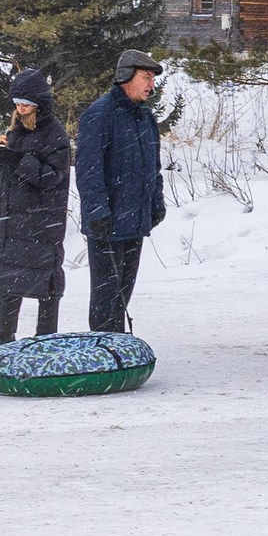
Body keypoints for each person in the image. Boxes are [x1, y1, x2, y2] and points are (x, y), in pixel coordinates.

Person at [74, 51, 164, 335]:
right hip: (108, 222)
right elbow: (88, 169)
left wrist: (156, 201)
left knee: (124, 291)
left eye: (152, 79)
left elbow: (154, 166)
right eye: (146, 77)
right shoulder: (99, 114)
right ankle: (103, 346)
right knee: (105, 295)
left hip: (135, 221)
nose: (151, 84)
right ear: (126, 76)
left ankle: (118, 343)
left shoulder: (146, 118)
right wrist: (98, 211)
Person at [0, 70, 71, 348]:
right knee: (10, 271)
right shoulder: (14, 130)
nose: (20, 108)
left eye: (26, 103)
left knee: (45, 274)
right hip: (11, 213)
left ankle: (46, 331)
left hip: (42, 215)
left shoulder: (55, 134)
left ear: (40, 103)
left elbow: (53, 176)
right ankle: (4, 331)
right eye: (17, 102)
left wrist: (19, 160)